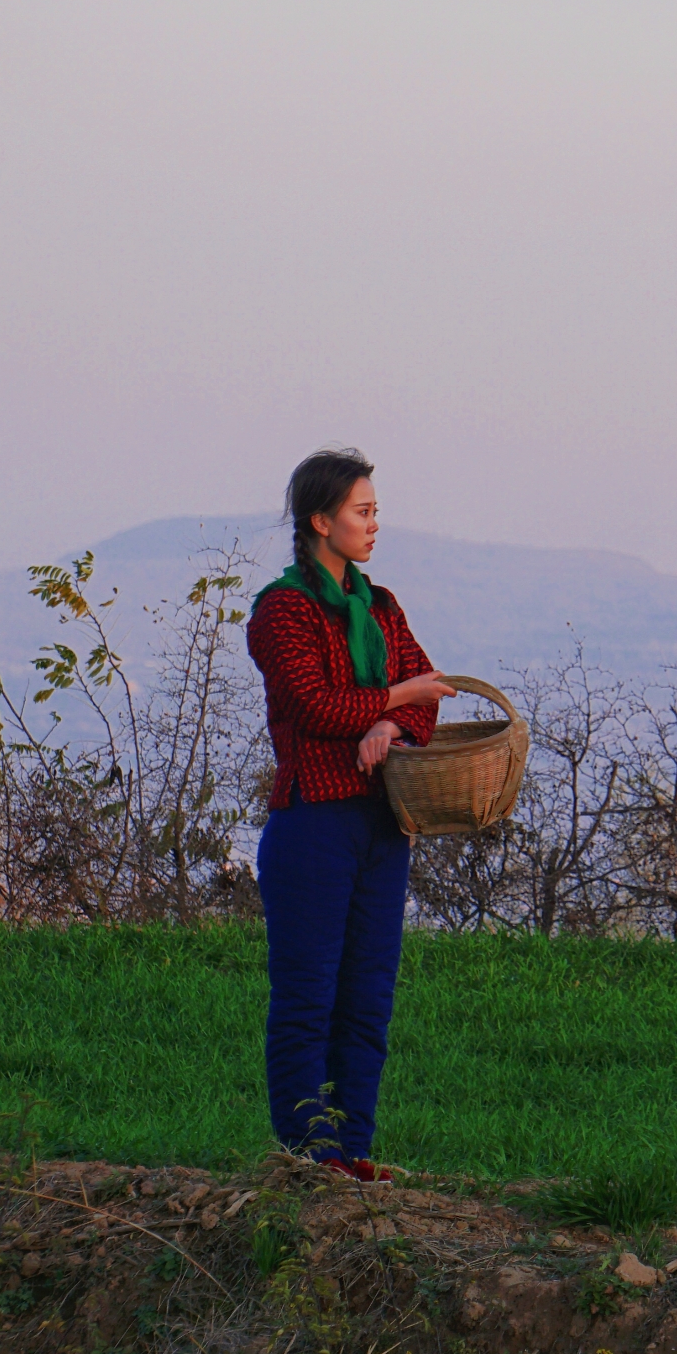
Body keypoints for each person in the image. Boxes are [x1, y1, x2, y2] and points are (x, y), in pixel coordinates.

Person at [245, 448, 456, 1181]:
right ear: (320, 521)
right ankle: (310, 1150)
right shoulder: (282, 611)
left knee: (367, 997)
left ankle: (353, 1150)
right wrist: (392, 701)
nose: (374, 525)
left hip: (381, 823)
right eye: (362, 512)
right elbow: (313, 705)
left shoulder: (382, 607)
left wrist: (390, 726)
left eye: (374, 512)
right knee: (309, 994)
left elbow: (429, 694)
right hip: (313, 822)